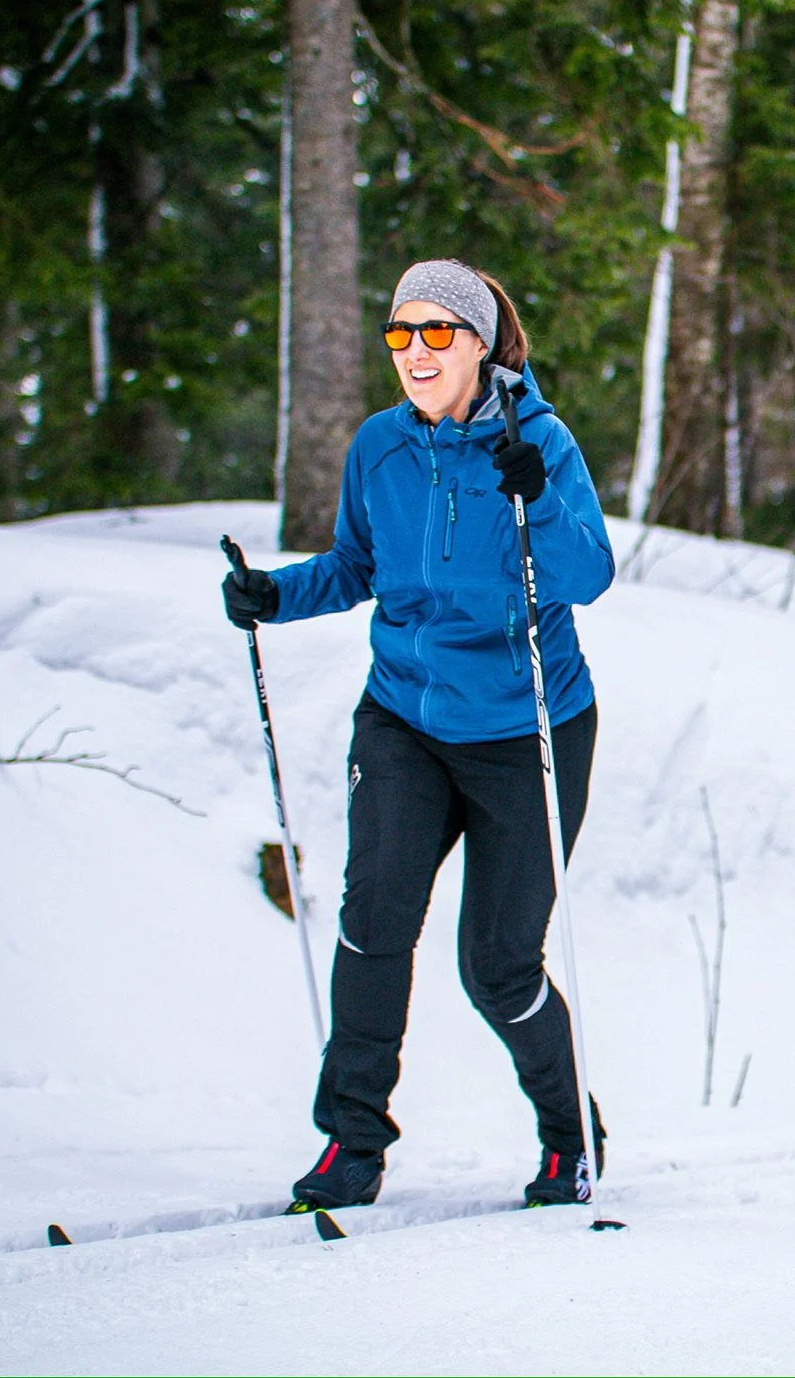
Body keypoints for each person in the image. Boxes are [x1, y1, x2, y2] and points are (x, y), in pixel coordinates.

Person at [221, 259, 616, 1211]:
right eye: (401, 333)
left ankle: (571, 1137)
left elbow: (588, 572)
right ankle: (350, 1144)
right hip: (403, 717)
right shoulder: (381, 448)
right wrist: (276, 594)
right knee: (373, 920)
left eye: (437, 332)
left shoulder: (541, 442)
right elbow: (360, 565)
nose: (415, 352)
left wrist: (541, 493)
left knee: (497, 965)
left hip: (528, 727)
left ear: (481, 343)